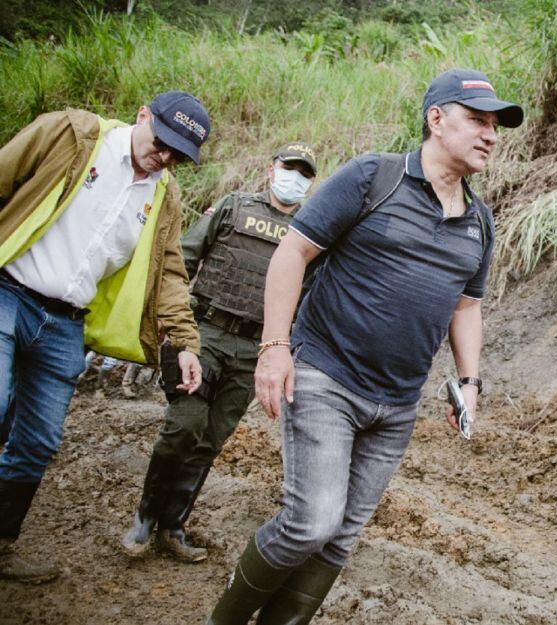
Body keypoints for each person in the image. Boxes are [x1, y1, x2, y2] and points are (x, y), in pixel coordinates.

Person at [205, 69, 523, 624]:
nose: (490, 134)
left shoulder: (480, 221)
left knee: (339, 539)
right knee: (311, 521)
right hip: (326, 375)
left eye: (496, 126)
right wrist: (275, 346)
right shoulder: (373, 178)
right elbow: (292, 254)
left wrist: (469, 382)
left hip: (397, 403)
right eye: (477, 120)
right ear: (436, 119)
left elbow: (466, 306)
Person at [0, 91, 209, 583]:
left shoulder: (164, 197)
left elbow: (171, 277)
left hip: (67, 323)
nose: (165, 158)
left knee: (38, 440)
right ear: (142, 115)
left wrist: (186, 343)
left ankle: (2, 545)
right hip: (9, 291)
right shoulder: (71, 135)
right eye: (162, 143)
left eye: (179, 155)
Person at [121, 143, 318, 563]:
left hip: (255, 350)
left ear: (311, 182)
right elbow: (183, 261)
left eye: (304, 173)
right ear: (271, 169)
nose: (294, 178)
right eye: (289, 168)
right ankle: (144, 518)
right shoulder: (233, 207)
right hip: (204, 333)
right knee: (184, 426)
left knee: (210, 441)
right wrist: (163, 324)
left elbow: (312, 296)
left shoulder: (310, 233)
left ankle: (173, 527)